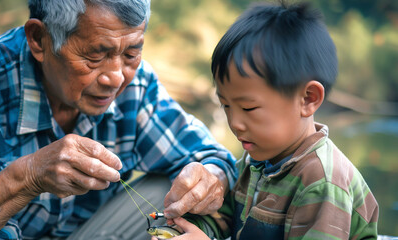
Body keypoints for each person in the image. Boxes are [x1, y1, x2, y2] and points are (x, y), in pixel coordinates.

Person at [0, 0, 237, 239]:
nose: (117, 78)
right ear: (40, 39)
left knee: (177, 187)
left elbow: (212, 157)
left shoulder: (136, 83)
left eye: (131, 54)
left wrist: (209, 178)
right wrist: (28, 176)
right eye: (95, 56)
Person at [157, 1, 379, 239]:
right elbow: (223, 219)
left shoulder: (323, 183)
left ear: (308, 99)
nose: (235, 123)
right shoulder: (255, 161)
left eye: (249, 107)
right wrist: (184, 229)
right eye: (226, 106)